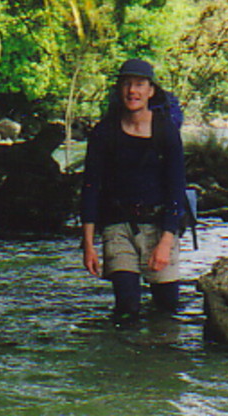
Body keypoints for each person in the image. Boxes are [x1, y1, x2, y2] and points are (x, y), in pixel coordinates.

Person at [79, 58, 189, 325]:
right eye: (127, 84)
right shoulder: (104, 132)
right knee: (127, 308)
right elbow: (91, 187)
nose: (133, 91)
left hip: (160, 224)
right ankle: (123, 363)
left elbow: (176, 189)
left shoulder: (166, 131)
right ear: (119, 89)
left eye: (140, 85)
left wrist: (165, 242)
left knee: (167, 310)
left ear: (151, 90)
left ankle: (159, 362)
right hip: (118, 226)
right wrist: (88, 245)